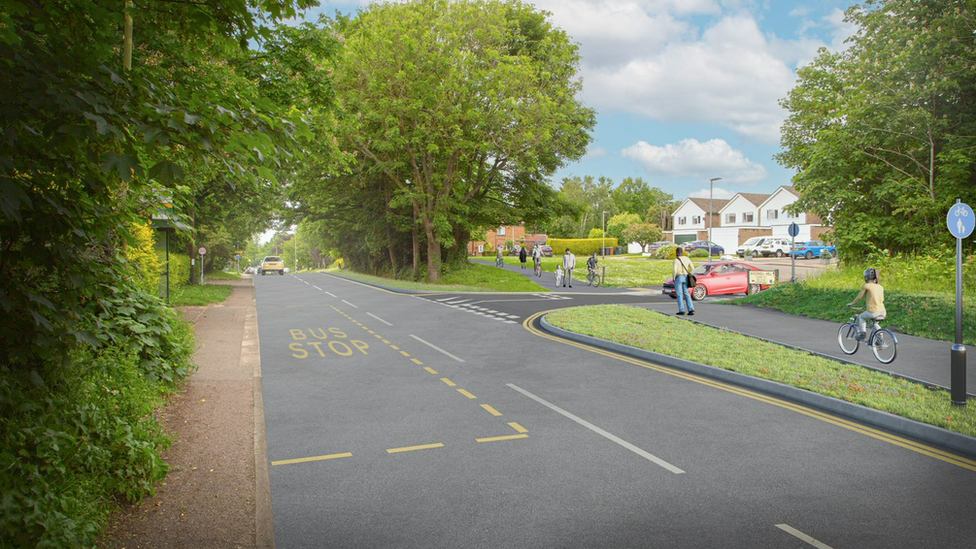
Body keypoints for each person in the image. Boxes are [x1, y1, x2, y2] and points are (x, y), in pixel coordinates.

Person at [848, 268, 885, 339]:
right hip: (883, 312)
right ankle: (880, 340)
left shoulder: (866, 286)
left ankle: (862, 334)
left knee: (861, 317)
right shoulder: (880, 287)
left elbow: (859, 297)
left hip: (873, 311)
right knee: (875, 324)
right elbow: (882, 300)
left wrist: (852, 303)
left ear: (866, 277)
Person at [673, 247, 695, 316]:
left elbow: (675, 270)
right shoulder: (687, 259)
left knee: (679, 294)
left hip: (679, 277)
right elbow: (692, 268)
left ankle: (681, 310)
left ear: (676, 253)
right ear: (682, 252)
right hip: (686, 276)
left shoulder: (676, 260)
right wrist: (689, 273)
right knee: (687, 293)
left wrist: (674, 277)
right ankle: (691, 309)